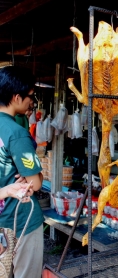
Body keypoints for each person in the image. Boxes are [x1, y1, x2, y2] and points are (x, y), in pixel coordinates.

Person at [0, 66, 44, 278]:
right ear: (16, 97)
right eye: (29, 96)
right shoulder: (17, 134)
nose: (31, 102)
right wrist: (38, 175)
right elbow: (34, 184)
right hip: (21, 221)